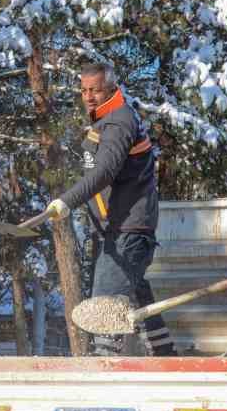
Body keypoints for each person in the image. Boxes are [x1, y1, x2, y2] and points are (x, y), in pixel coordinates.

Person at [46, 61, 177, 357]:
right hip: (119, 228)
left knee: (103, 307)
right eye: (84, 90)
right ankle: (168, 360)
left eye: (96, 90)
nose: (89, 96)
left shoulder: (118, 123)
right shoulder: (104, 122)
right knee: (143, 306)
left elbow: (104, 172)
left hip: (128, 230)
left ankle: (104, 376)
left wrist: (67, 200)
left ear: (112, 89)